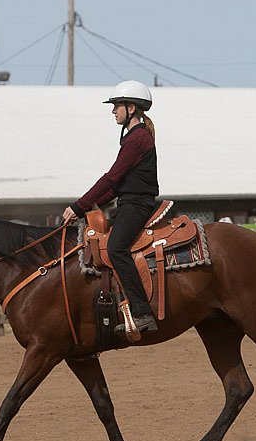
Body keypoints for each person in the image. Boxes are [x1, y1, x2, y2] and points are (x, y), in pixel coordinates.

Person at [62, 80, 159, 336]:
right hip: (128, 202)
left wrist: (78, 205)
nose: (113, 111)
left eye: (117, 106)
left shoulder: (137, 139)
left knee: (116, 248)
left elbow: (111, 178)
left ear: (132, 108)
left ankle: (142, 312)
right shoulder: (133, 138)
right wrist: (86, 209)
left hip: (137, 205)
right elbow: (115, 187)